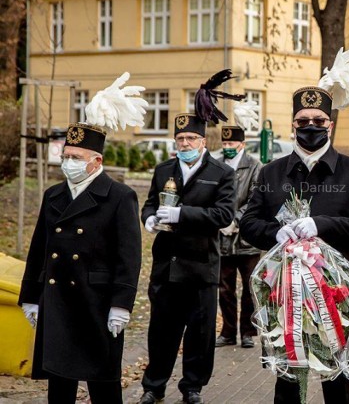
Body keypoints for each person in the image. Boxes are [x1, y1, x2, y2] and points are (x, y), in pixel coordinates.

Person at [239, 86, 349, 404]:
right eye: (303, 121)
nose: (311, 126)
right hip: (284, 296)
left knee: (339, 383)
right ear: (292, 124)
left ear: (330, 124)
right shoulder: (272, 172)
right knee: (288, 384)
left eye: (318, 119)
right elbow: (249, 224)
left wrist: (322, 224)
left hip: (338, 297)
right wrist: (275, 233)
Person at [18, 122, 142, 404]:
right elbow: (39, 249)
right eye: (66, 156)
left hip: (96, 303)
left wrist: (121, 304)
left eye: (76, 158)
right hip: (58, 298)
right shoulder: (53, 195)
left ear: (96, 161)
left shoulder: (120, 196)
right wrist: (31, 297)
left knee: (103, 383)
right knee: (59, 381)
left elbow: (129, 256)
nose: (68, 163)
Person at [138, 113, 235, 404]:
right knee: (161, 332)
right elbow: (151, 203)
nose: (185, 143)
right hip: (167, 264)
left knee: (200, 333)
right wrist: (149, 220)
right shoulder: (164, 169)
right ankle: (153, 387)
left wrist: (183, 215)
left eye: (191, 138)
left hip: (201, 265)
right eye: (180, 138)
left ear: (203, 141)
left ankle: (192, 387)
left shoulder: (221, 172)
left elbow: (223, 214)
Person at [214, 125, 262, 349]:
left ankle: (248, 331)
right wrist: (221, 220)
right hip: (221, 238)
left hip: (247, 239)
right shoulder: (216, 165)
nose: (228, 148)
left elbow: (255, 198)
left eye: (232, 144)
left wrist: (236, 220)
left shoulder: (254, 166)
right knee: (224, 288)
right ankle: (228, 331)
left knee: (250, 287)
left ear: (242, 144)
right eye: (224, 144)